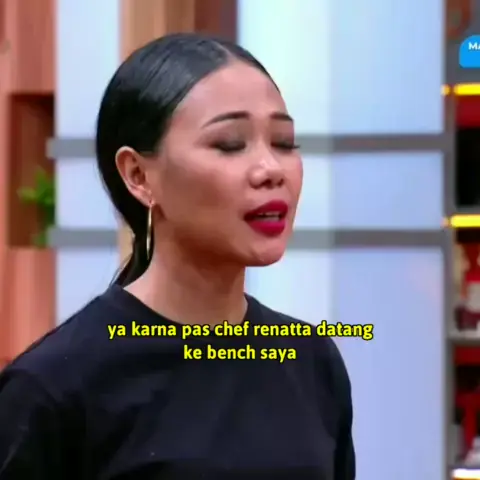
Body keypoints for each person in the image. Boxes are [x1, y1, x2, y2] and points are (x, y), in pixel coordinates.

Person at [0, 33, 355, 479]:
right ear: (138, 175)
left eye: (283, 142)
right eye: (230, 143)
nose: (270, 169)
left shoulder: (311, 361)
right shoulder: (52, 387)